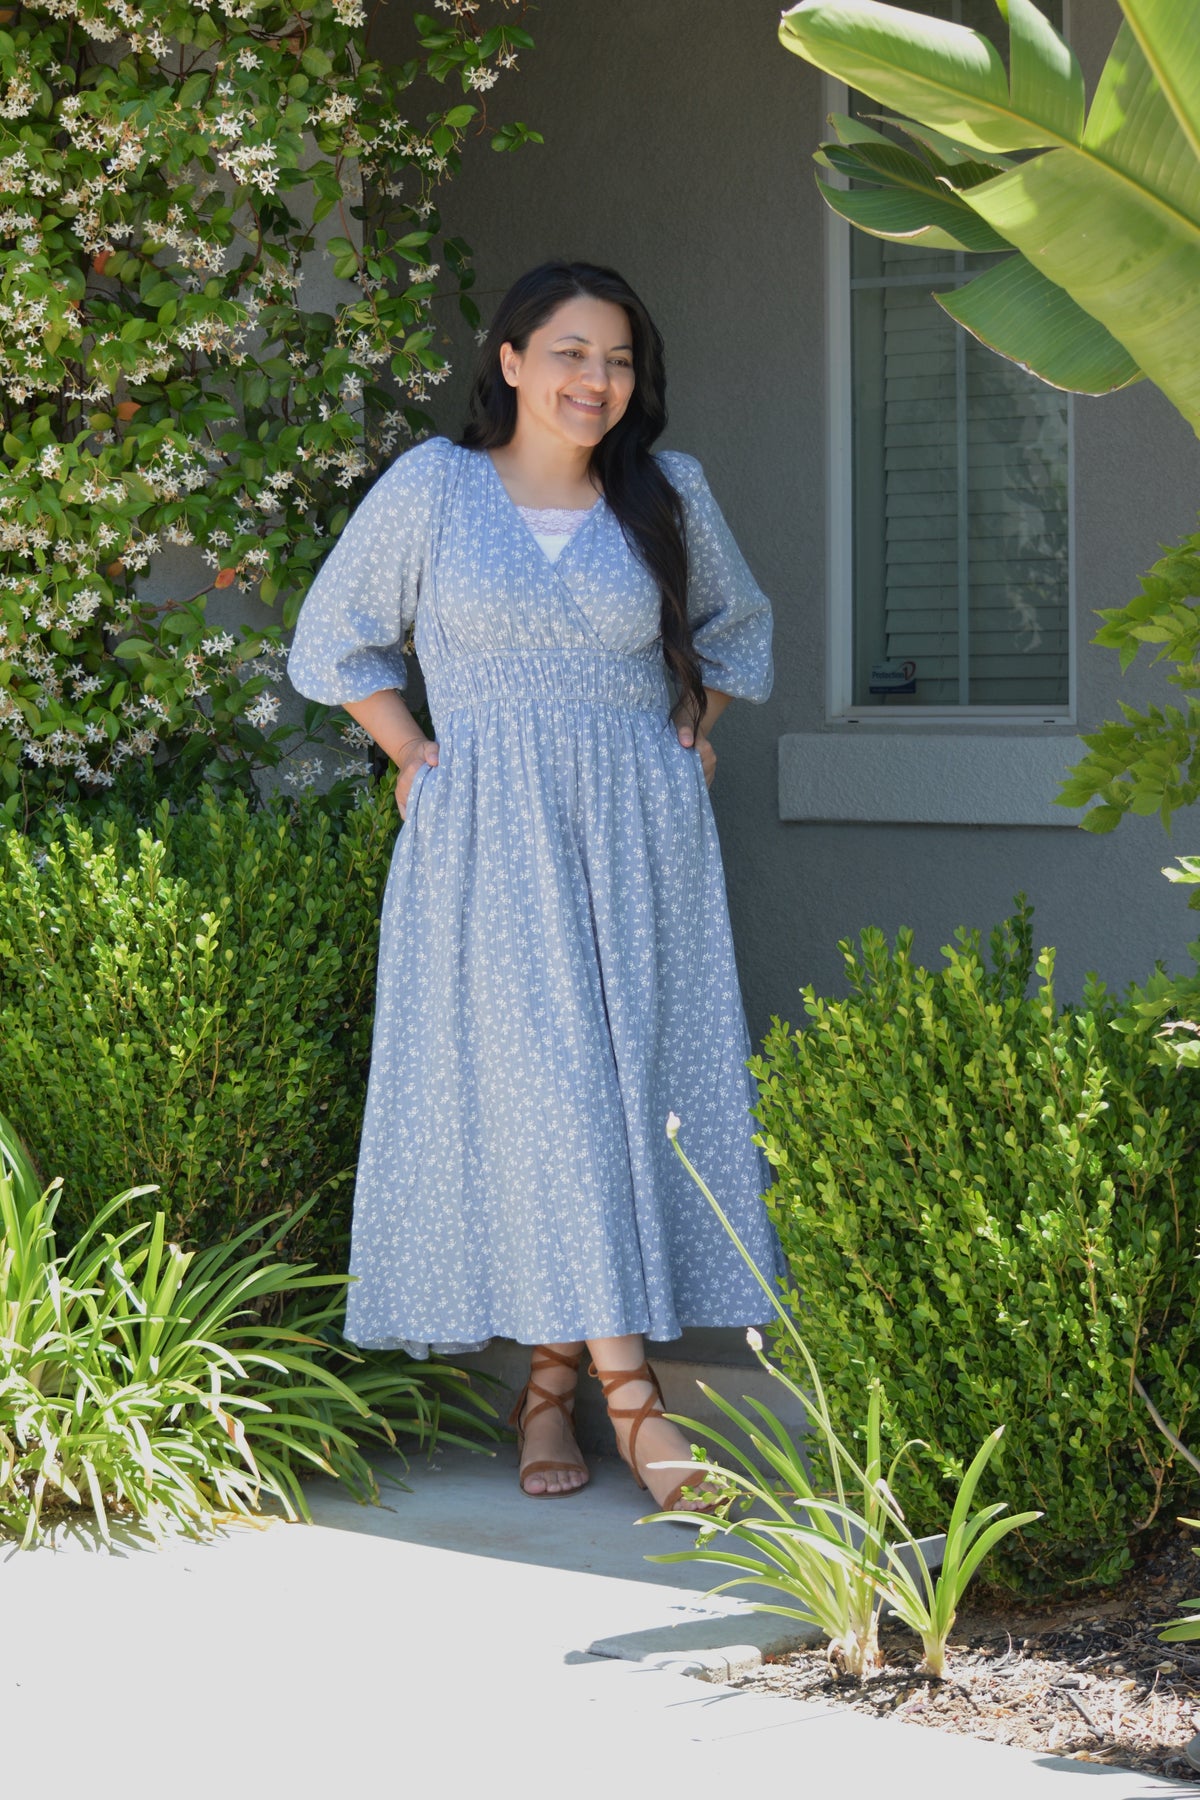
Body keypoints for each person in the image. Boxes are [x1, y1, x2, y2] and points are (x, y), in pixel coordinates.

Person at [287, 259, 784, 1512]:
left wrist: (689, 729)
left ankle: (550, 1388)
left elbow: (738, 631)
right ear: (510, 361)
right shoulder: (435, 488)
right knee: (546, 1095)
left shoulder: (668, 490)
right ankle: (636, 1399)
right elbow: (333, 636)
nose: (595, 380)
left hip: (637, 835)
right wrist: (413, 755)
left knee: (615, 1098)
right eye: (570, 353)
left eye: (617, 360)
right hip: (489, 837)